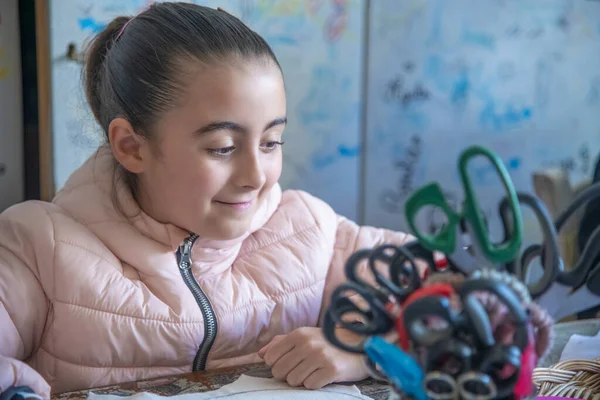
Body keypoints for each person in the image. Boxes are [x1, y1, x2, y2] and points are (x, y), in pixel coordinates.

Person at [0, 3, 418, 398]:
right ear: (131, 146)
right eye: (222, 147)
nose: (256, 177)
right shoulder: (38, 250)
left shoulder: (308, 229)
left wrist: (366, 349)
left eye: (272, 142)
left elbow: (459, 298)